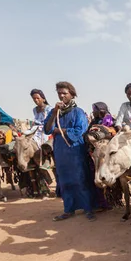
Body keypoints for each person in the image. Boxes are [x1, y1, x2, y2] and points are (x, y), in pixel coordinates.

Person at [44, 81, 97, 222]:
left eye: (64, 93)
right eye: (59, 93)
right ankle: (68, 209)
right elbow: (47, 129)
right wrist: (55, 112)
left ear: (72, 95)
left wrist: (60, 130)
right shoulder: (54, 112)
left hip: (75, 150)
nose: (61, 96)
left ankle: (88, 208)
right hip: (61, 151)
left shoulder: (78, 112)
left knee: (81, 179)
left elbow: (80, 130)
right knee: (65, 180)